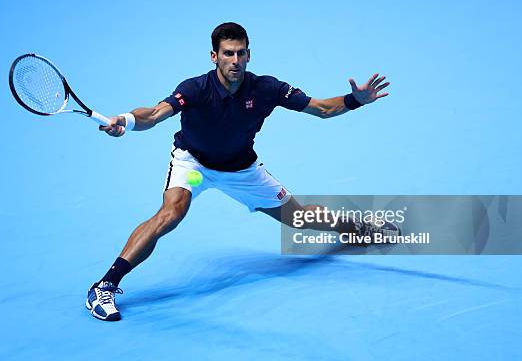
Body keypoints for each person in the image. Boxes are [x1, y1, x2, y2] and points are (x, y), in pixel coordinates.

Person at [85, 22, 398, 321]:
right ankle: (104, 286)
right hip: (194, 165)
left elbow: (323, 109)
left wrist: (355, 100)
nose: (235, 60)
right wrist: (125, 120)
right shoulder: (195, 89)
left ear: (249, 54)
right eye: (228, 53)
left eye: (240, 53)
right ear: (214, 56)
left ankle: (358, 228)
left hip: (241, 170)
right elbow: (154, 114)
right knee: (171, 213)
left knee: (298, 218)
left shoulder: (267, 88)